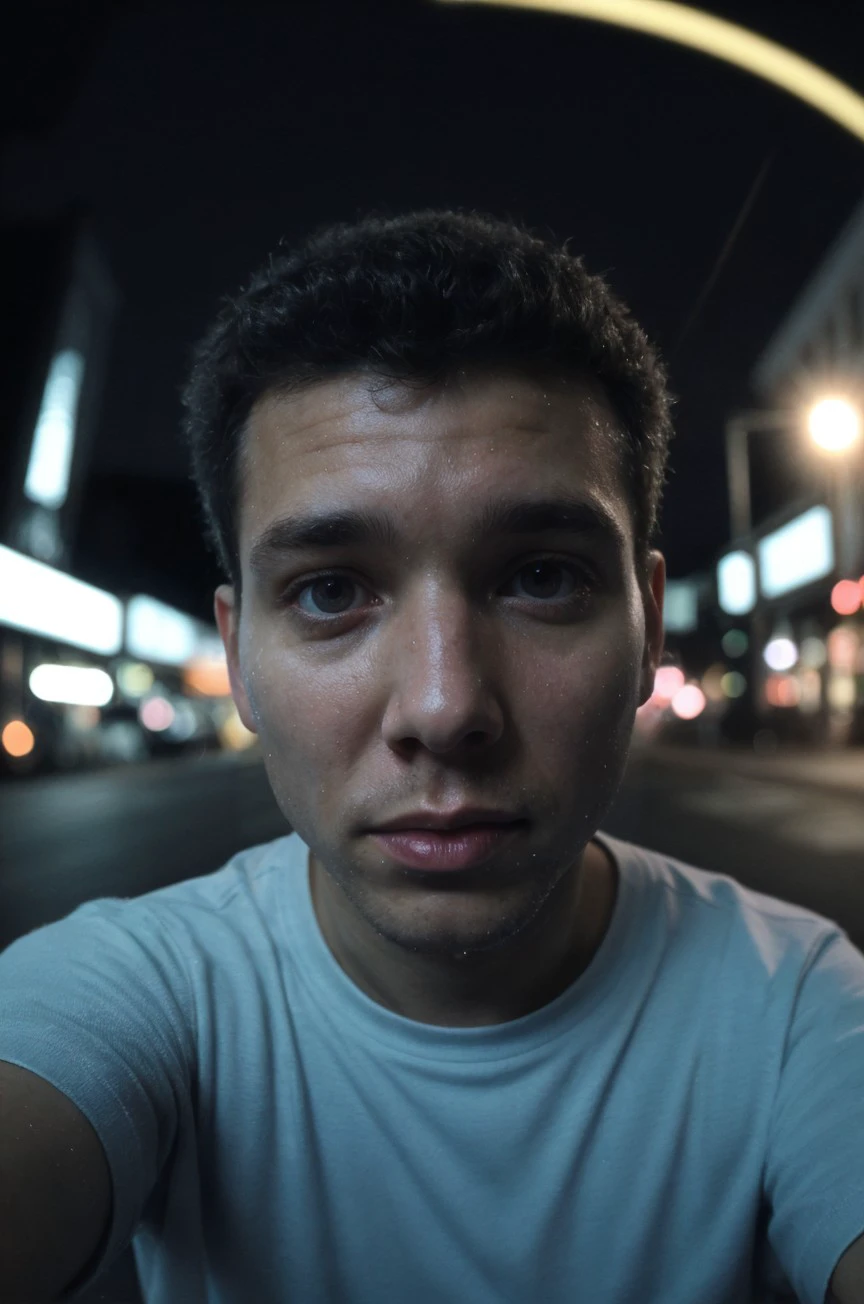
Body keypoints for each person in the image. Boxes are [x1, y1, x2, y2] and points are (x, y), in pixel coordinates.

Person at [1, 210, 863, 1304]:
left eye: (541, 576)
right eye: (330, 592)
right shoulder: (137, 994)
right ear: (240, 657)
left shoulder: (802, 1010)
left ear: (647, 628)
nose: (446, 705)